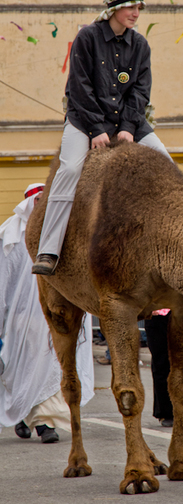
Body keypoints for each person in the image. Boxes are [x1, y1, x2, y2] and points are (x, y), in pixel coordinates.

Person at [32, 0, 171, 276]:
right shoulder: (87, 38)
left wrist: (130, 127)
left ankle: (179, 238)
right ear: (115, 9)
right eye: (131, 7)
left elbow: (140, 92)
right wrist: (96, 129)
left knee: (166, 162)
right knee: (68, 170)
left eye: (138, 8)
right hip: (84, 119)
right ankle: (49, 249)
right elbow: (79, 88)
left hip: (128, 121)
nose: (136, 13)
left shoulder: (140, 45)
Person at [0, 184, 94, 442]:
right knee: (26, 369)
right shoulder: (11, 236)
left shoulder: (63, 232)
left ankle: (44, 422)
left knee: (53, 367)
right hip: (22, 321)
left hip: (55, 314)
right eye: (38, 200)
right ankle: (24, 413)